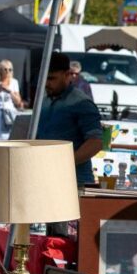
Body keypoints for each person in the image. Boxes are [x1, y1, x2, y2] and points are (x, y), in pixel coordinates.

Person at [36, 53, 103, 187]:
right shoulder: (44, 101)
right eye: (44, 78)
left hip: (75, 181)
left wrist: (66, 163)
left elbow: (96, 142)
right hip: (46, 178)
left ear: (67, 75)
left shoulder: (81, 103)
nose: (47, 83)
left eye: (52, 78)